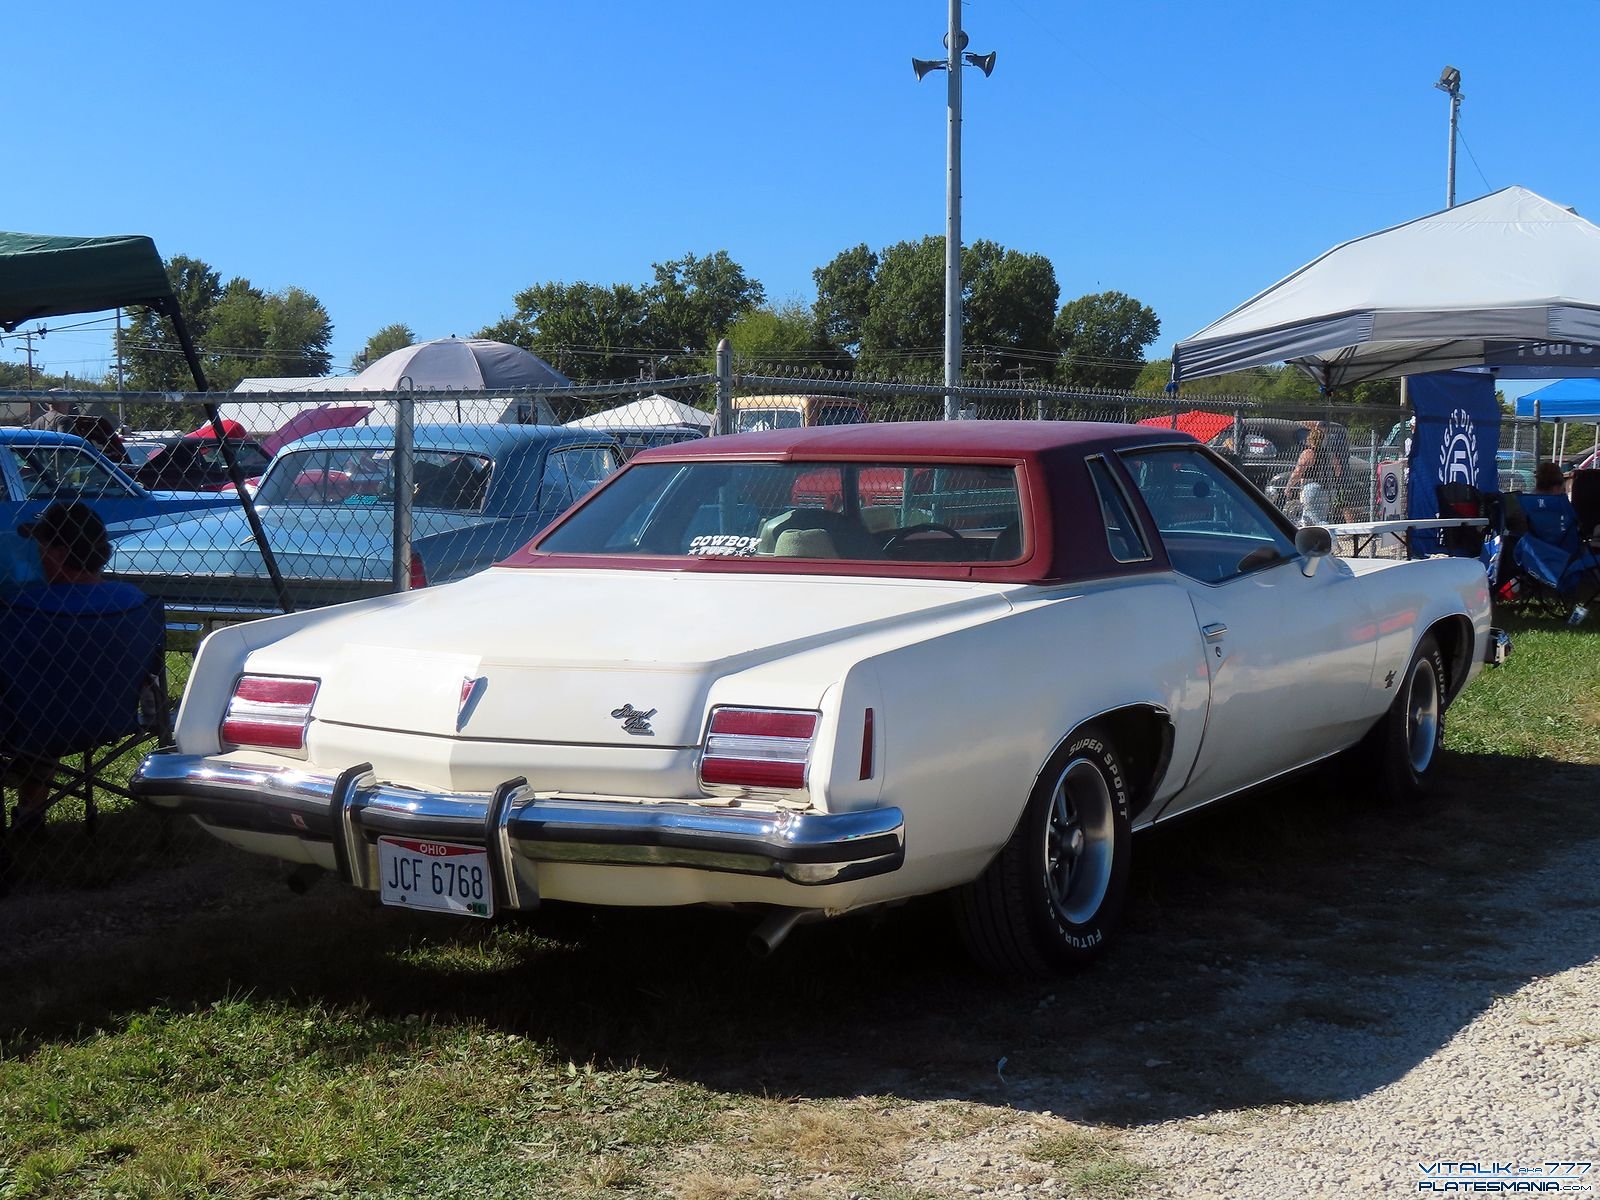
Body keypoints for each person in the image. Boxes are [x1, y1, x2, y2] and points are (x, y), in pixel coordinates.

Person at [3, 502, 149, 837]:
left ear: (57, 553)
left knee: (35, 707)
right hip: (110, 718)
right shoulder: (134, 601)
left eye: (40, 547)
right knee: (44, 703)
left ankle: (30, 814)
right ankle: (30, 813)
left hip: (29, 725)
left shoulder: (21, 609)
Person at [1284, 423, 1350, 526]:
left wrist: (1289, 486)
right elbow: (1338, 470)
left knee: (1317, 520)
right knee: (1308, 519)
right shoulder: (1328, 453)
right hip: (1328, 488)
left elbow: (1298, 471)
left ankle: (1331, 540)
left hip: (1312, 487)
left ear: (1310, 439)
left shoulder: (1308, 453)